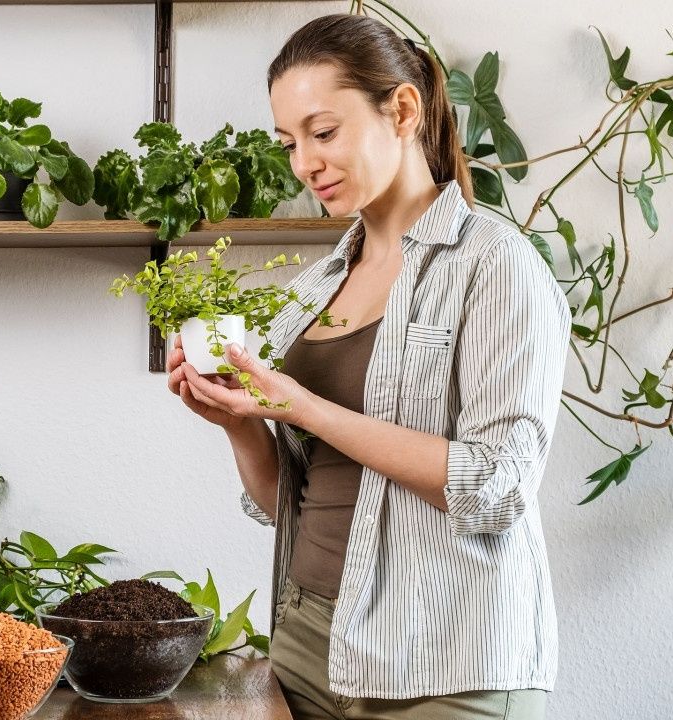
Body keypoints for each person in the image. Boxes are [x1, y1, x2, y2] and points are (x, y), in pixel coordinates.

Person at [167, 13, 570, 720]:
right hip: (304, 645)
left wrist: (305, 407)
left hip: (445, 661)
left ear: (403, 110)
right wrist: (238, 423)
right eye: (290, 143)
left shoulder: (494, 264)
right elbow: (288, 503)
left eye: (324, 133)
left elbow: (499, 486)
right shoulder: (314, 287)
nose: (304, 163)